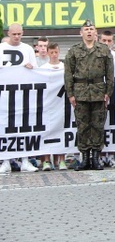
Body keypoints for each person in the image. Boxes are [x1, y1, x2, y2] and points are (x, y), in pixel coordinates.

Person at [64, 20, 115, 171]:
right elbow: (68, 74)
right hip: (80, 92)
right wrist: (70, 94)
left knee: (98, 125)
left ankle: (95, 157)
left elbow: (110, 73)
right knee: (83, 125)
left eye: (91, 29)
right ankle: (85, 157)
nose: (89, 32)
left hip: (99, 91)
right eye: (86, 29)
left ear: (95, 32)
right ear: (81, 33)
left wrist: (108, 92)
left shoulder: (104, 50)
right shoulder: (74, 51)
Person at [0, 23, 39, 173]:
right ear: (8, 33)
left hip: (23, 95)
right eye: (14, 34)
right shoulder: (1, 49)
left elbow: (36, 72)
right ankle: (6, 161)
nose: (17, 37)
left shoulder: (27, 49)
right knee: (5, 127)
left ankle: (25, 160)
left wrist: (31, 67)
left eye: (19, 34)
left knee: (24, 127)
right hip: (4, 96)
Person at [38, 42, 67, 171]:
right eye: (52, 53)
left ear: (59, 52)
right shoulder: (43, 68)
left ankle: (61, 160)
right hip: (47, 104)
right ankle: (46, 161)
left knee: (61, 131)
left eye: (56, 52)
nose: (54, 55)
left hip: (61, 104)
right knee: (47, 132)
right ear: (48, 53)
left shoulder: (64, 67)